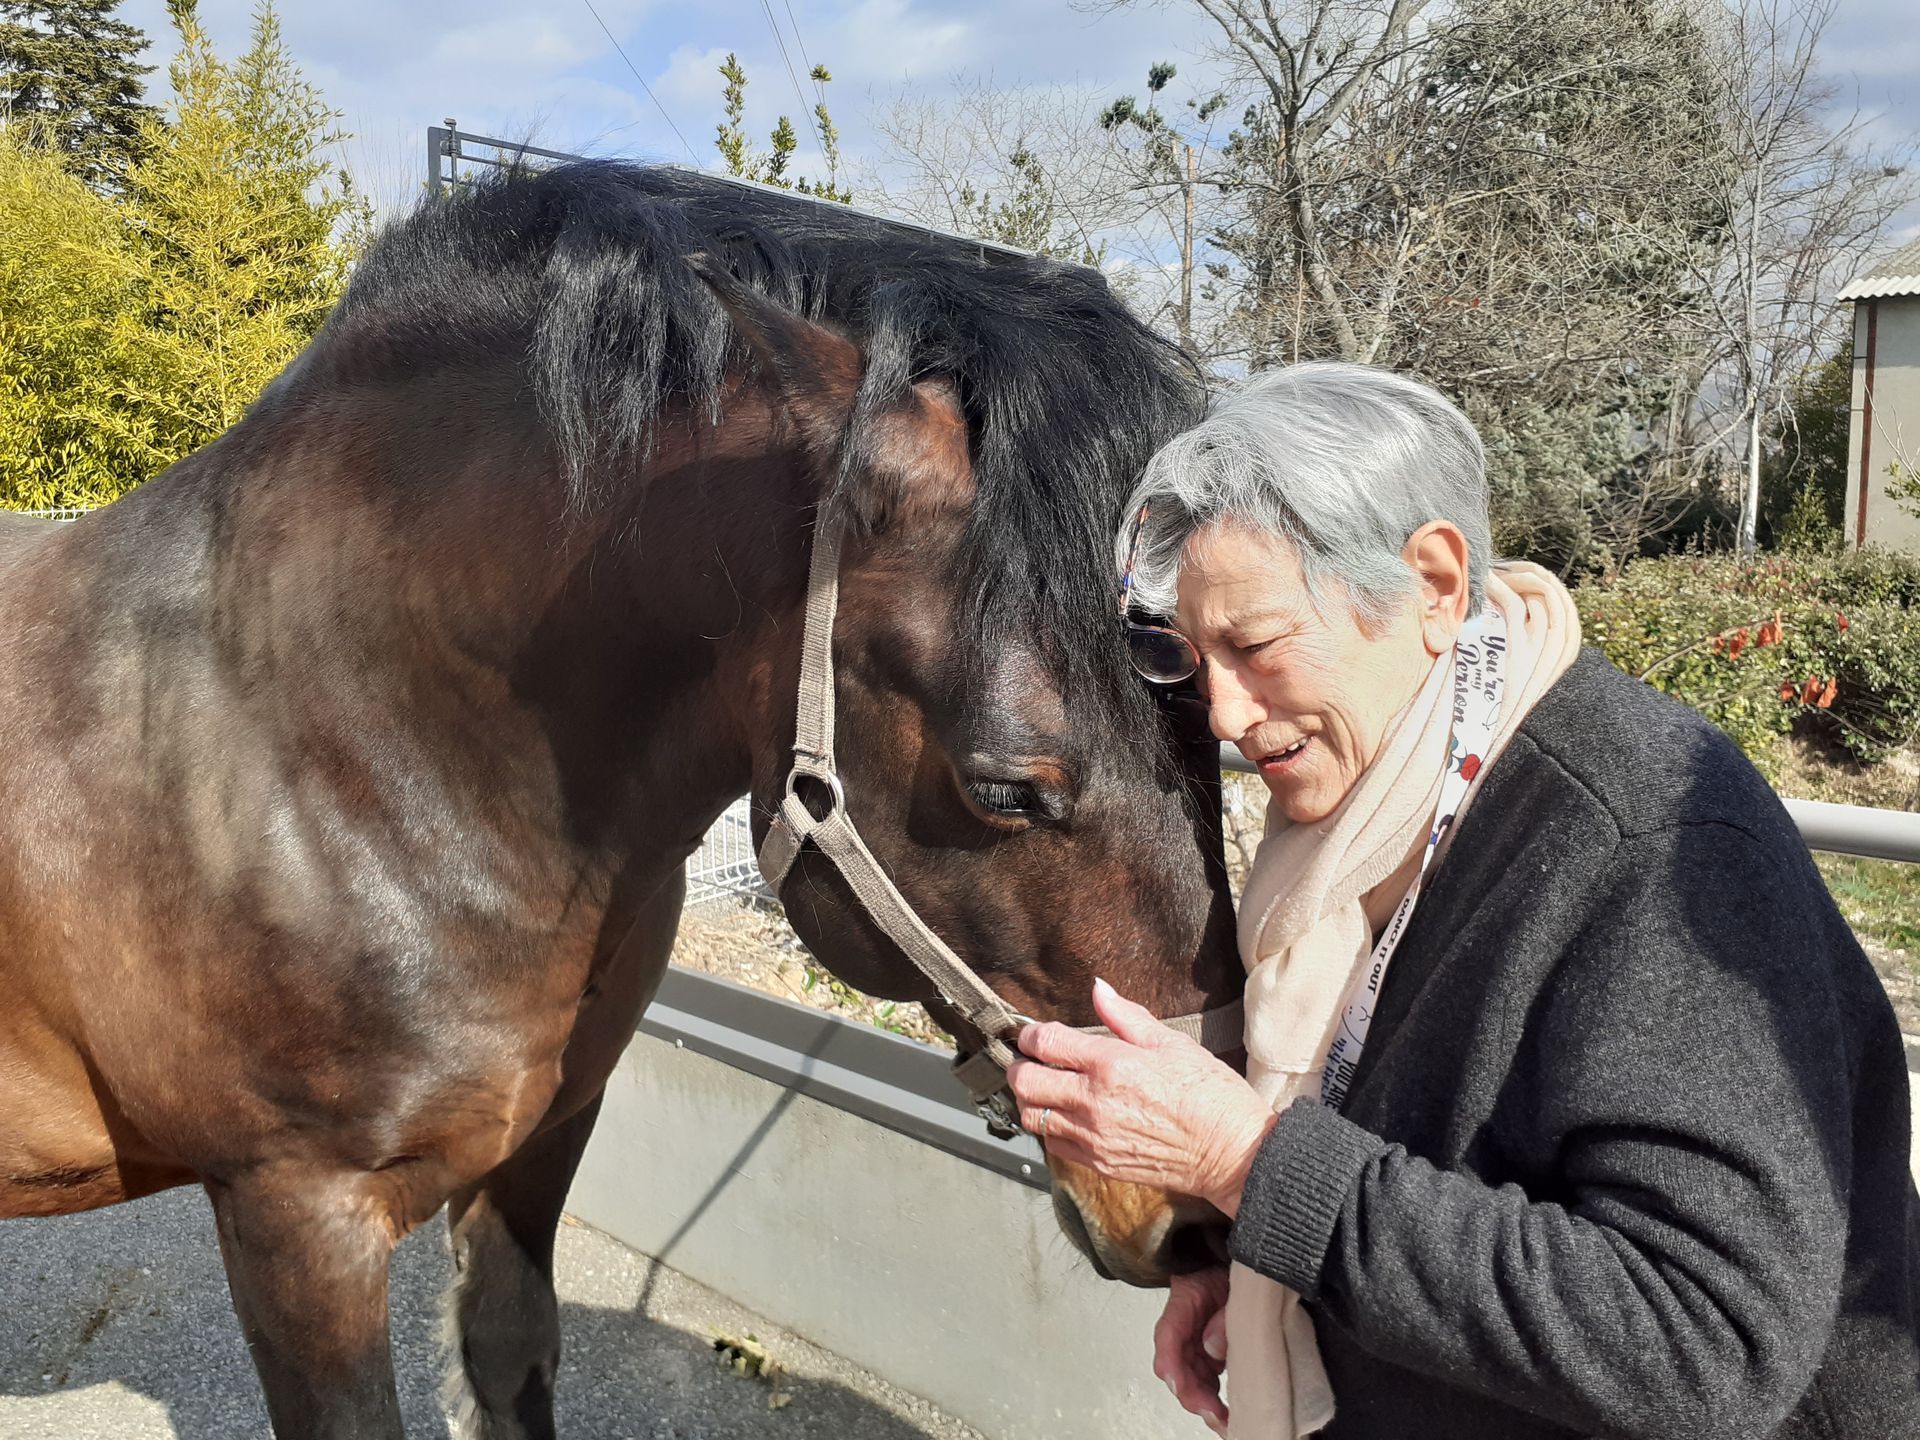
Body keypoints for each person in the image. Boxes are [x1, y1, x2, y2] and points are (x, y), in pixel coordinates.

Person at [1006, 362, 1920, 1439]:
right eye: (1193, 659)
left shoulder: (1653, 842)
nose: (1221, 711)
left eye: (1253, 646)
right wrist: (1265, 1275)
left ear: (1436, 585)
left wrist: (1248, 1167)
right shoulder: (1378, 816)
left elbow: (1706, 1341)